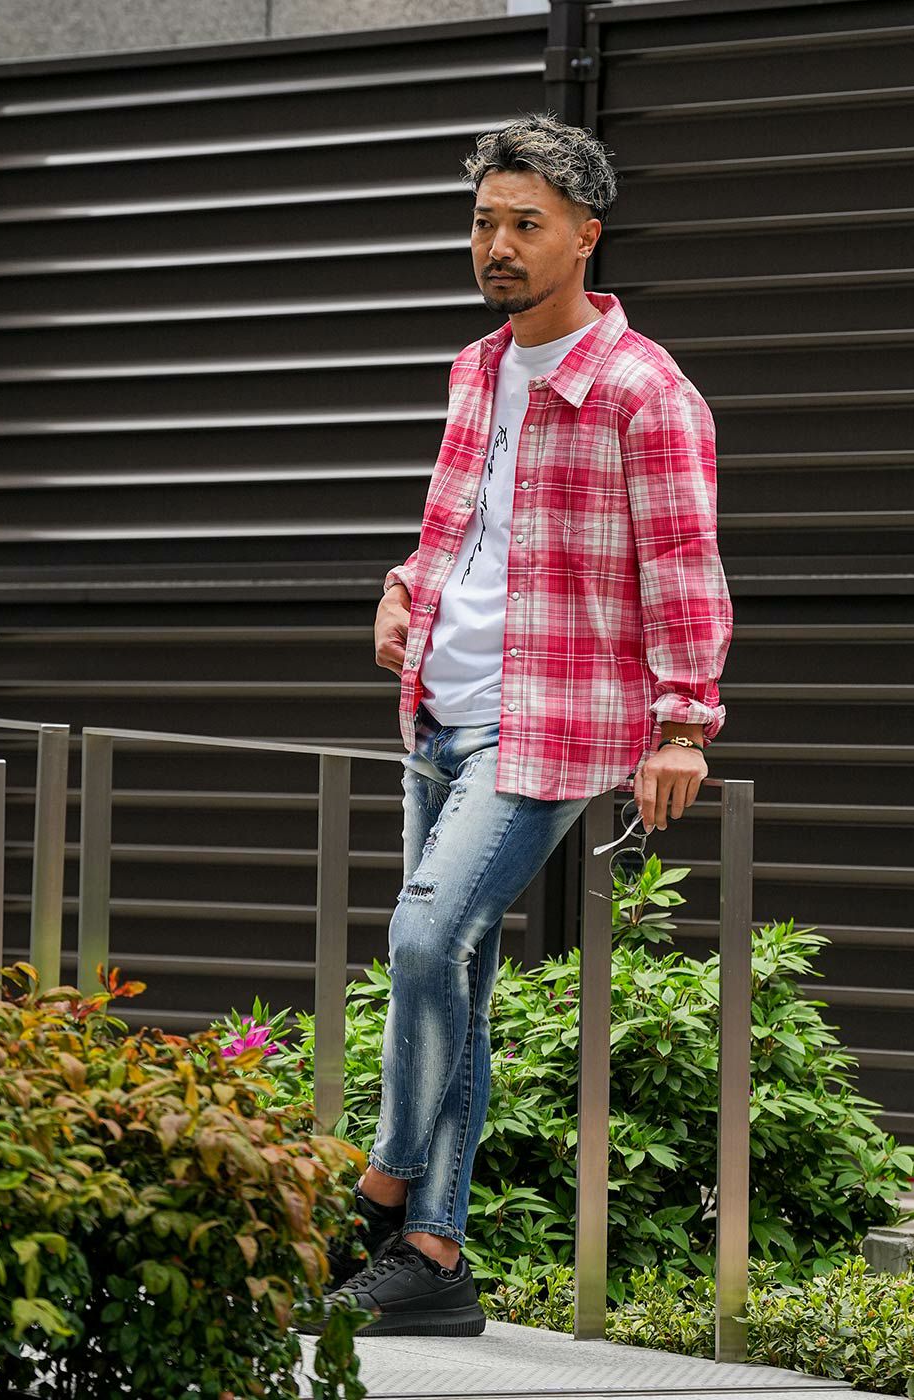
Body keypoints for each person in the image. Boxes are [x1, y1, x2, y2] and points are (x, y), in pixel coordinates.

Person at [314, 111, 732, 1337]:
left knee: (422, 940)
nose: (497, 245)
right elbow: (456, 526)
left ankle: (378, 1186)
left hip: (541, 722)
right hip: (438, 708)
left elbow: (683, 564)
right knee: (456, 972)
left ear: (584, 235)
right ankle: (433, 1258)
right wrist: (403, 589)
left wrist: (683, 723)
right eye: (484, 222)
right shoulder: (476, 368)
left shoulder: (643, 390)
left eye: (525, 224)